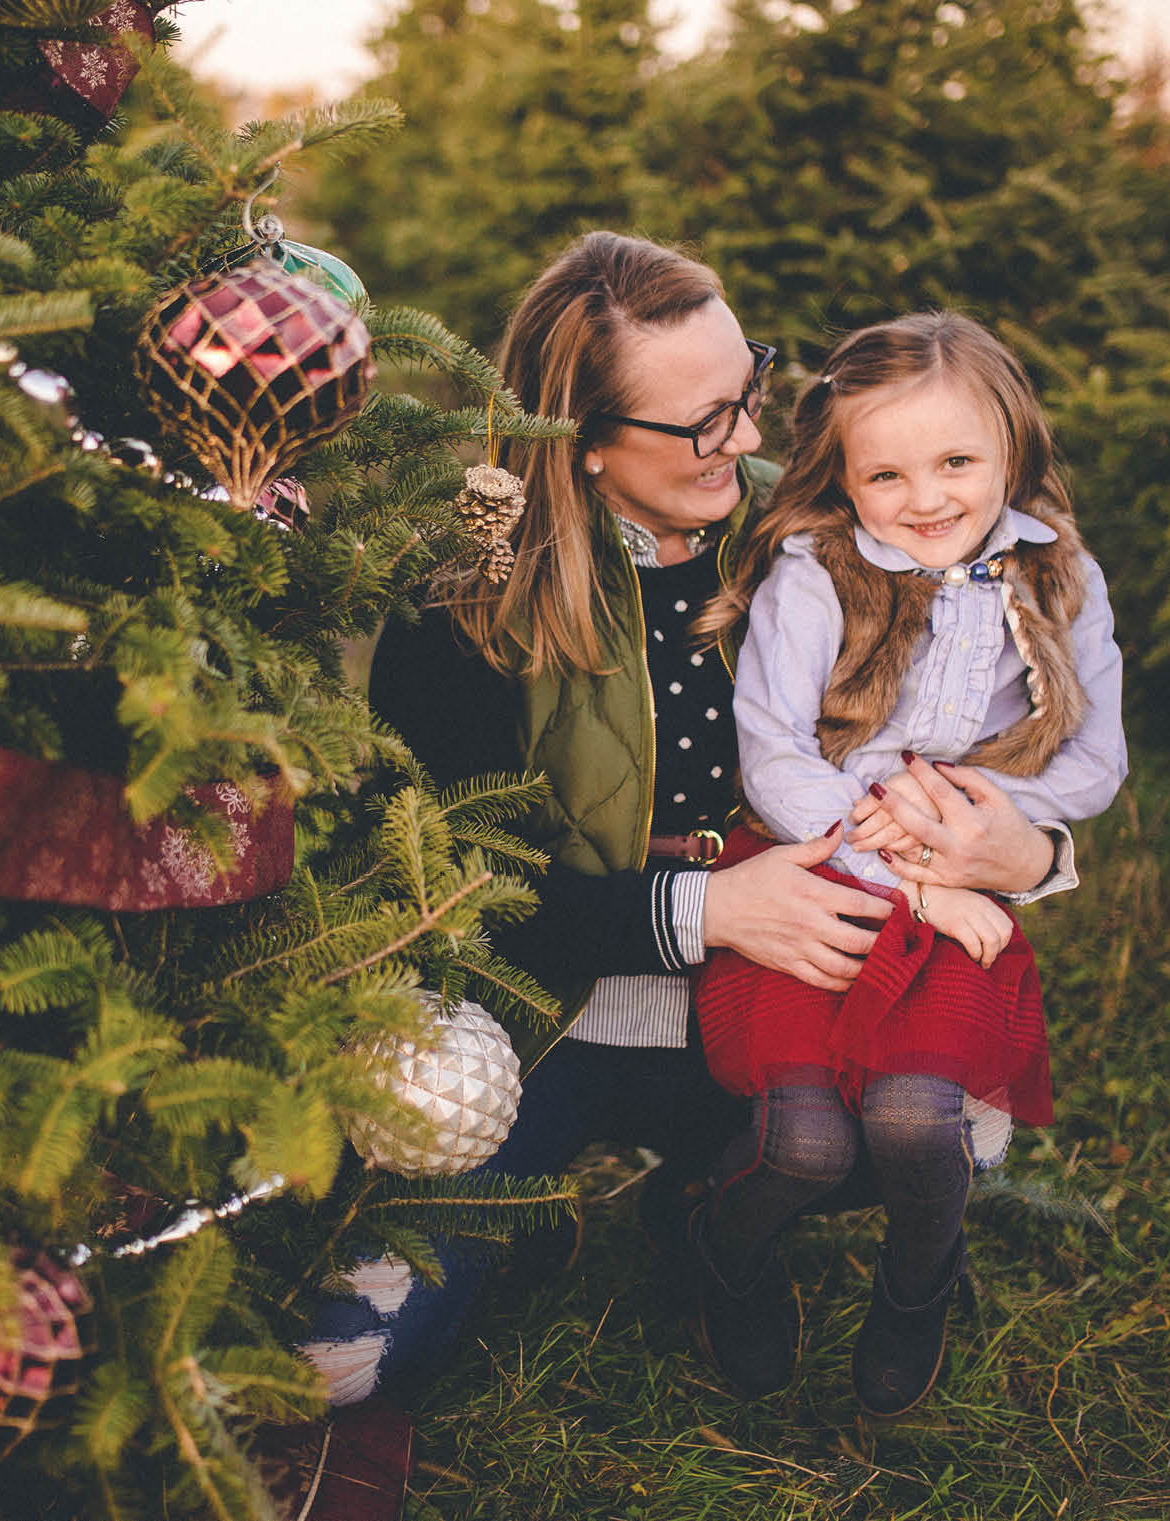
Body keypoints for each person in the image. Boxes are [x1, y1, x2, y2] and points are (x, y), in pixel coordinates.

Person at [296, 237, 1088, 1424]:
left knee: (947, 1133)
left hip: (775, 996)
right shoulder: (465, 590)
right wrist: (700, 909)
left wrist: (1032, 857)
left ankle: (710, 1211)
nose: (746, 437)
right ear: (586, 439)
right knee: (347, 1368)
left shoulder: (825, 539)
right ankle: (530, 1187)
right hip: (542, 1020)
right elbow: (442, 879)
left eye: (749, 390)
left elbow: (984, 728)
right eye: (703, 423)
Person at [685, 310, 1126, 1417]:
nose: (927, 497)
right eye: (886, 473)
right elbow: (773, 748)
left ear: (1013, 449)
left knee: (916, 1121)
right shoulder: (817, 572)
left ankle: (919, 1283)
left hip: (959, 877)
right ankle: (720, 1255)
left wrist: (977, 823)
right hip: (811, 867)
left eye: (958, 462)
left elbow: (1095, 761)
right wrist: (907, 865)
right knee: (807, 1144)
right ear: (842, 476)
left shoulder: (1062, 578)